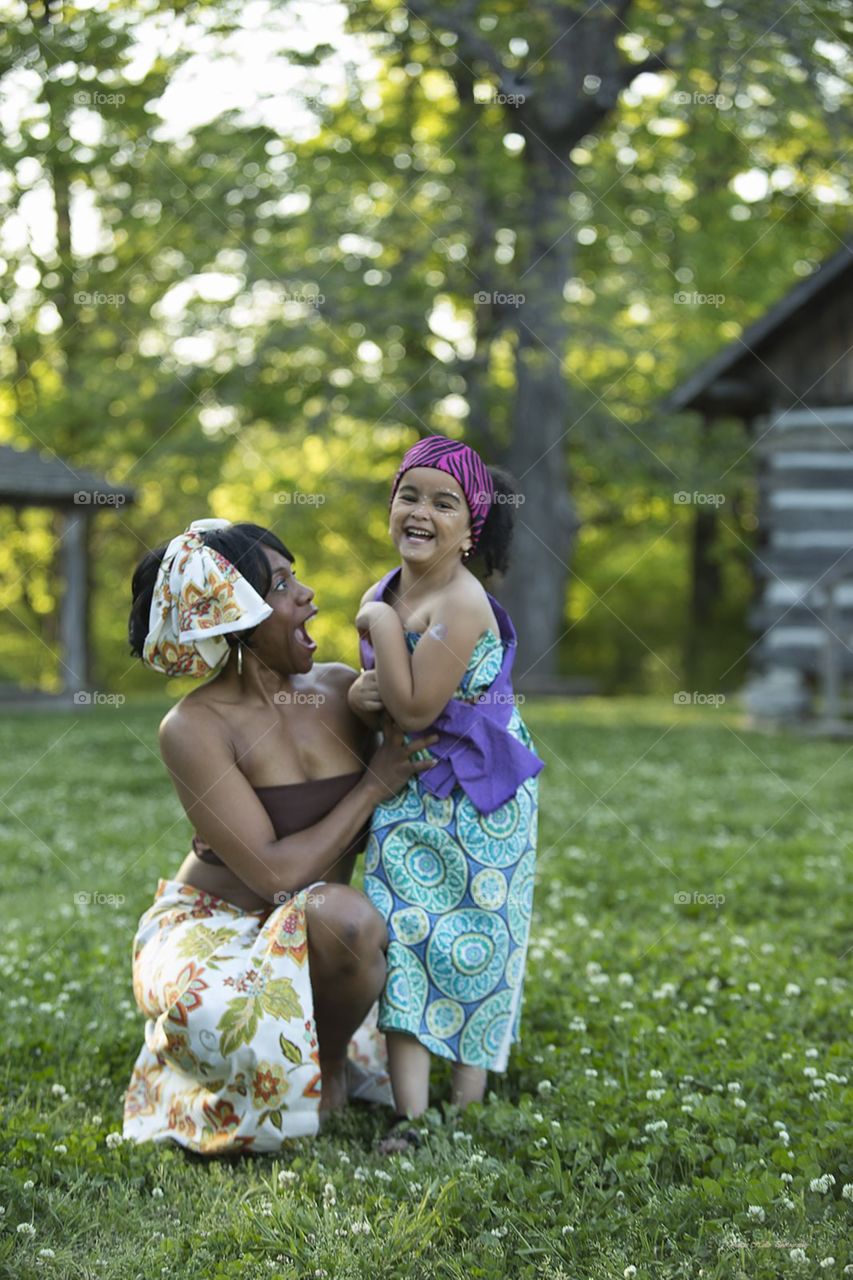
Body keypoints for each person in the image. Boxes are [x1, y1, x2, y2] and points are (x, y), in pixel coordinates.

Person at [121, 518, 437, 1155]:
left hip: (316, 924)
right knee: (228, 1007)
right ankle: (271, 1063)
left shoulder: (345, 689)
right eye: (284, 585)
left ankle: (334, 1061)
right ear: (235, 614)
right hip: (216, 925)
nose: (309, 596)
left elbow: (443, 720)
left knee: (345, 917)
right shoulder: (194, 726)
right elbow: (272, 875)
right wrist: (371, 786)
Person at [347, 435, 543, 1153]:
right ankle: (410, 1117)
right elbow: (386, 697)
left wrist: (373, 631)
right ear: (390, 505)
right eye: (409, 494)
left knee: (477, 943)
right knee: (405, 940)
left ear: (471, 528)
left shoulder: (459, 603)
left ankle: (466, 1102)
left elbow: (417, 707)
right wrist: (364, 692)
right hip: (409, 791)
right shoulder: (392, 588)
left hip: (477, 800)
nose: (420, 511)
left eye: (443, 502)